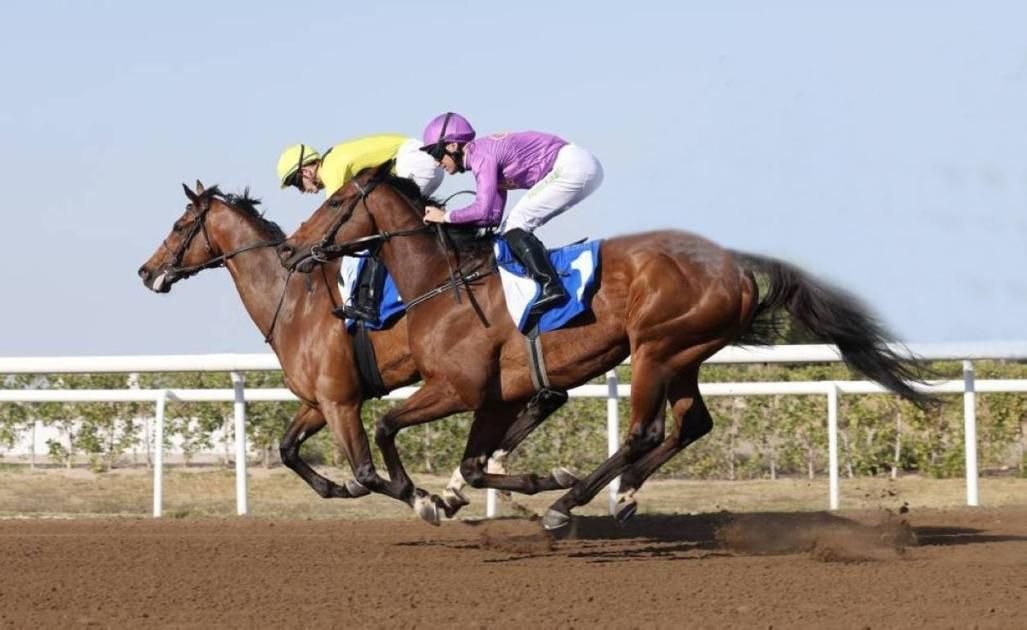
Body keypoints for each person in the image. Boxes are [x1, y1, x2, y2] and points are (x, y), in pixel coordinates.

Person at [419, 113, 603, 314]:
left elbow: (482, 209)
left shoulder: (482, 156)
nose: (436, 162)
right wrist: (450, 223)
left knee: (516, 223)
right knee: (510, 227)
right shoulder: (482, 156)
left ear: (453, 146)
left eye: (436, 153)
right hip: (577, 166)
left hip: (571, 167)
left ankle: (551, 286)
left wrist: (445, 217)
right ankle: (547, 276)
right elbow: (492, 217)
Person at [277, 135, 443, 323]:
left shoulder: (331, 168)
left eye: (296, 183)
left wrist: (299, 238)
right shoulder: (333, 162)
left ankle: (366, 302)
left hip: (415, 160)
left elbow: (331, 220)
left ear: (305, 172)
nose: (301, 190)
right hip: (419, 159)